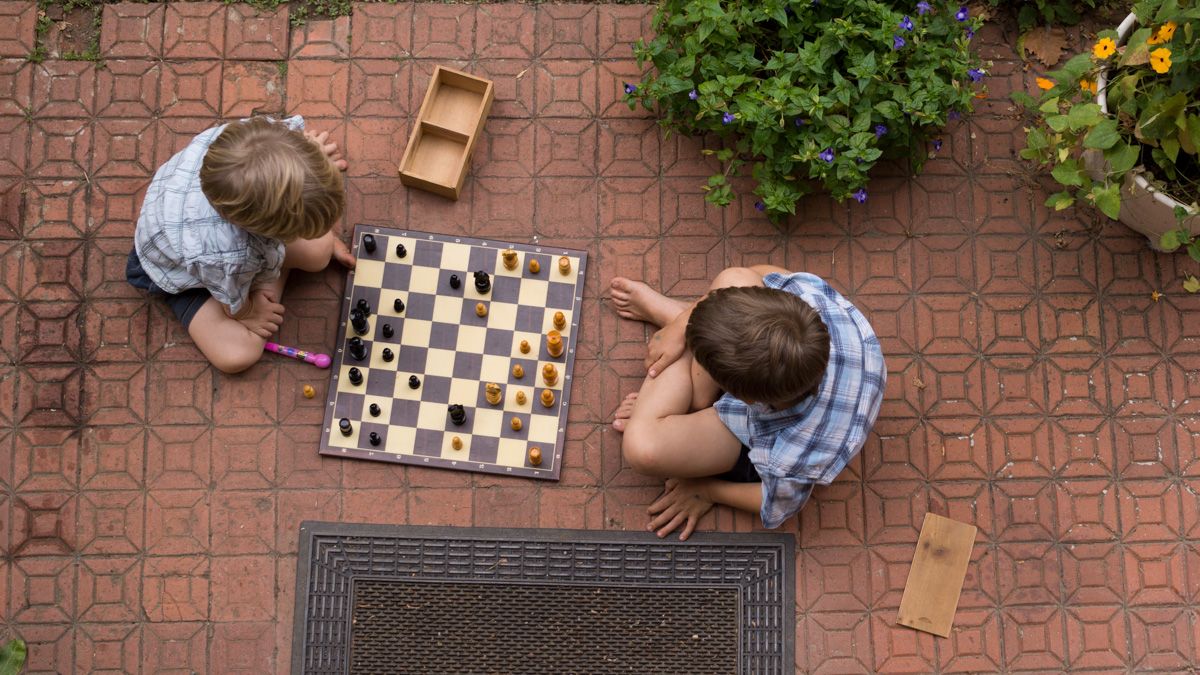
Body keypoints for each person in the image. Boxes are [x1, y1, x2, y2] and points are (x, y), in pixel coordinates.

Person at [610, 266, 885, 540]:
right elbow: (758, 272)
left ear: (742, 398)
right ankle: (683, 324)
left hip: (769, 432)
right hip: (796, 384)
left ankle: (685, 347)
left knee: (645, 446)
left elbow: (775, 503)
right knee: (734, 279)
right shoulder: (807, 303)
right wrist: (681, 325)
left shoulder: (789, 457)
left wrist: (706, 490)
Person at [126, 116, 356, 373]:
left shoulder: (251, 138)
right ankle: (263, 277)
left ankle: (266, 271)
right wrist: (249, 310)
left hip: (204, 227)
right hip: (176, 268)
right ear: (262, 231)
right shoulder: (225, 255)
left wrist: (309, 156)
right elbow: (232, 300)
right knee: (237, 355)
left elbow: (283, 147)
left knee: (319, 252)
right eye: (299, 230)